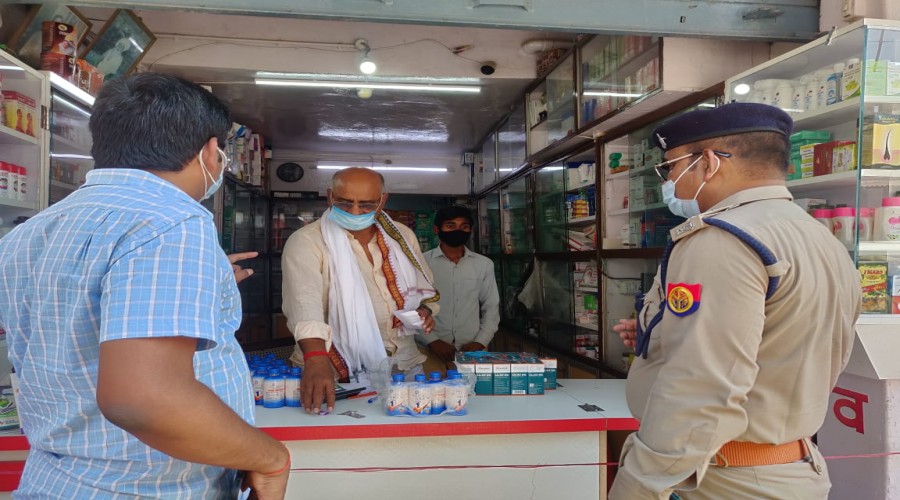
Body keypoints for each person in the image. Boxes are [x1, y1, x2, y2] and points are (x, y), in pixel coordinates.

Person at [0, 73, 290, 498]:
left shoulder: (30, 232)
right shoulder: (172, 222)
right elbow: (145, 398)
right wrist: (268, 457)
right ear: (210, 151)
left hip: (54, 481)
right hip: (147, 488)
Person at [608, 102, 860, 499]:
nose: (669, 180)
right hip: (789, 467)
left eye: (670, 167)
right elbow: (783, 341)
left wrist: (637, 485)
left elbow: (701, 386)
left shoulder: (722, 239)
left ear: (708, 163)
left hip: (726, 477)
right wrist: (657, 336)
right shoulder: (819, 237)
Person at [281, 167, 439, 413]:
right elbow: (304, 304)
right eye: (345, 203)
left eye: (366, 205)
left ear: (382, 201)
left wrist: (424, 311)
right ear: (330, 196)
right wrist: (316, 359)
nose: (354, 211)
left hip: (403, 364)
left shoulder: (402, 236)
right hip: (330, 369)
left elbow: (423, 287)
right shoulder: (307, 241)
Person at [419, 205, 500, 373]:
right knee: (431, 389)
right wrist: (432, 341)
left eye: (464, 226)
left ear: (470, 230)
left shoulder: (484, 264)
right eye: (450, 226)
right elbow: (411, 309)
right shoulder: (421, 263)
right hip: (429, 350)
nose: (458, 230)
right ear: (436, 229)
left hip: (472, 350)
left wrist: (480, 342)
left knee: (476, 389)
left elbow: (491, 307)